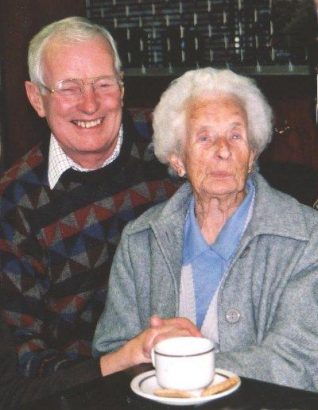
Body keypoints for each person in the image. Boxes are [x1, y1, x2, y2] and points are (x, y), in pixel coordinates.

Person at [93, 67, 318, 392]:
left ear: (252, 154)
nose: (223, 150)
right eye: (204, 137)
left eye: (236, 135)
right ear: (178, 160)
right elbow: (112, 353)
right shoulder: (141, 240)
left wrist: (185, 367)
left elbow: (303, 360)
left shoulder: (306, 236)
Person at [0, 16, 178, 378]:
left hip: (191, 365)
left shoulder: (170, 145)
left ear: (122, 87)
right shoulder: (14, 204)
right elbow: (21, 360)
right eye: (68, 88)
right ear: (37, 98)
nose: (90, 104)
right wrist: (118, 363)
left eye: (103, 83)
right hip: (84, 389)